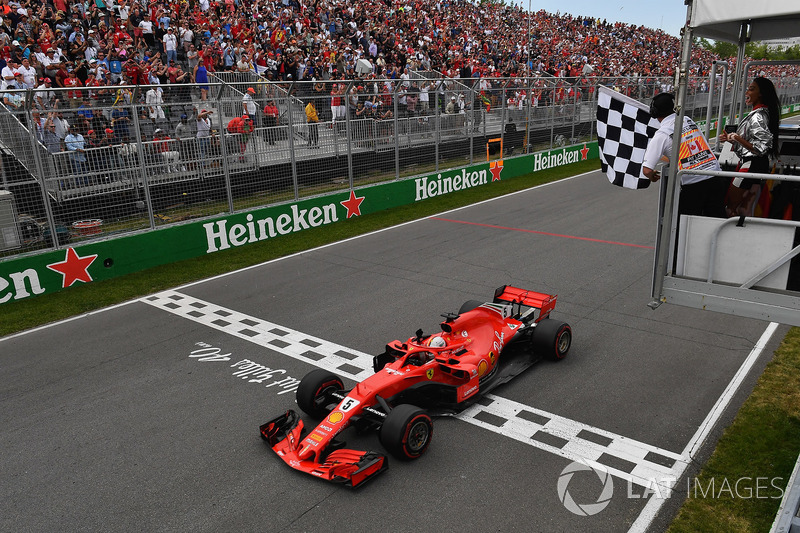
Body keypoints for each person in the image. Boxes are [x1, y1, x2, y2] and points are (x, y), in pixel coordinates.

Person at [642, 92, 726, 218]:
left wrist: (652, 176)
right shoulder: (687, 120)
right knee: (716, 223)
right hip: (716, 176)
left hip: (694, 185)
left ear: (654, 112)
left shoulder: (661, 135)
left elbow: (647, 170)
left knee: (683, 229)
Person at [719, 77, 781, 216]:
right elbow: (752, 144)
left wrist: (736, 137)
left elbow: (761, 147)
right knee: (745, 209)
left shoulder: (758, 116)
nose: (747, 91)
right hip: (756, 164)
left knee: (731, 208)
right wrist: (732, 140)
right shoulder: (762, 113)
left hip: (751, 164)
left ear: (761, 94)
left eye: (751, 89)